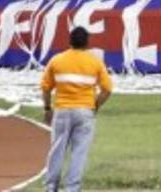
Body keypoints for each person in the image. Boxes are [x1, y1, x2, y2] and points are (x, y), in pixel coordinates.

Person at [42, 25, 113, 192]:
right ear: (87, 43)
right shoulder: (95, 62)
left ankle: (51, 186)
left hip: (62, 110)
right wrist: (95, 105)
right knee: (79, 152)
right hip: (84, 111)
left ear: (70, 41)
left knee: (57, 150)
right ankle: (72, 188)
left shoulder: (57, 60)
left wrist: (47, 108)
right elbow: (108, 89)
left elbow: (45, 87)